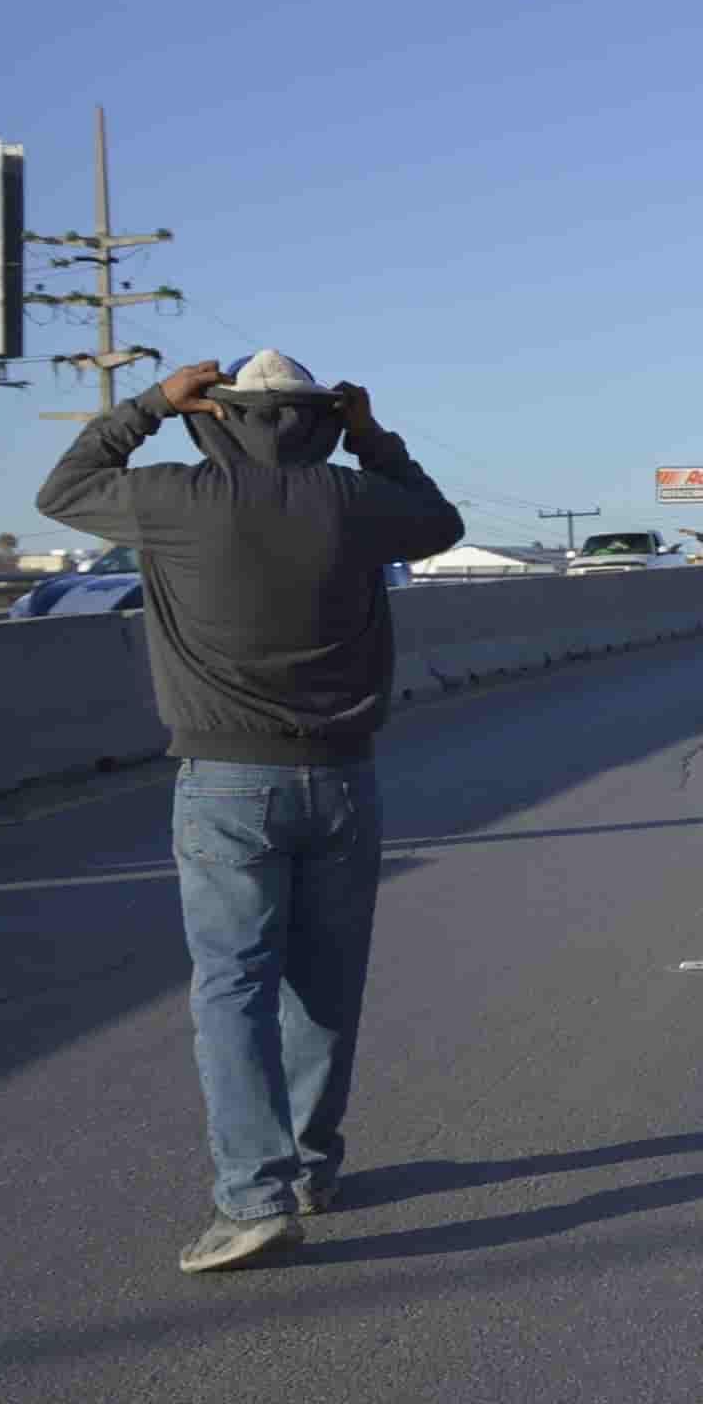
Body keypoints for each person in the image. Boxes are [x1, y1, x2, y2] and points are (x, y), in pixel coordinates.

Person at [35, 351, 464, 1273]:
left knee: (233, 988)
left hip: (226, 782)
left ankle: (253, 1196)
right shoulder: (357, 500)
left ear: (218, 416)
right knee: (326, 981)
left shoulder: (174, 496)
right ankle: (312, 1166)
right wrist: (371, 434)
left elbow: (63, 488)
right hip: (344, 776)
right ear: (319, 419)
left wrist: (152, 402)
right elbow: (443, 522)